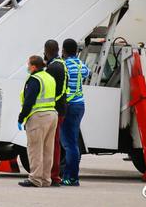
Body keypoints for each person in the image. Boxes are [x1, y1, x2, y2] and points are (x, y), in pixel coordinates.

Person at [18, 55, 58, 188]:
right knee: (48, 150)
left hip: (38, 116)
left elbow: (29, 101)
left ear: (34, 67)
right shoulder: (49, 78)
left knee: (35, 149)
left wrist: (21, 117)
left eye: (28, 65)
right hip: (52, 115)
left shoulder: (35, 79)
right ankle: (46, 179)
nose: (27, 67)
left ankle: (35, 179)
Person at [60, 38, 90, 186]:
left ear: (63, 50)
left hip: (69, 106)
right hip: (80, 105)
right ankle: (71, 176)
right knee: (73, 142)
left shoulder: (64, 65)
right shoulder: (80, 65)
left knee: (69, 144)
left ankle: (71, 177)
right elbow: (87, 73)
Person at [43, 40, 68, 187]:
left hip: (55, 109)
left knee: (52, 143)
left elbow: (53, 91)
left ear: (47, 50)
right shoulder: (61, 64)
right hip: (61, 107)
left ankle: (53, 175)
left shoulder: (53, 68)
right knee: (55, 142)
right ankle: (53, 174)